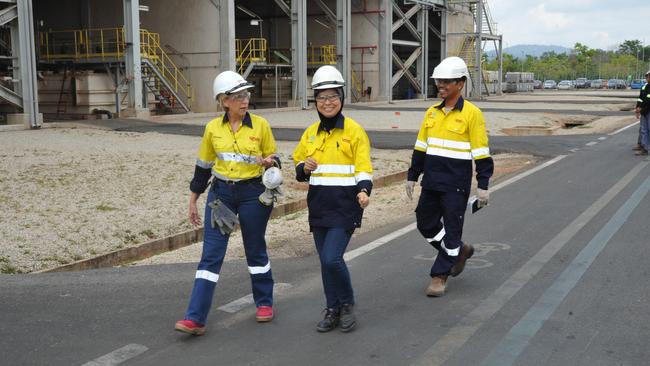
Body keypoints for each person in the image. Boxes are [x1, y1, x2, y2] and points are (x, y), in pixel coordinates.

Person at [175, 70, 281, 336]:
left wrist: (270, 162)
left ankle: (265, 302)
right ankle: (195, 318)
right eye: (237, 96)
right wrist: (193, 199)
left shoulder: (261, 125)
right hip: (220, 196)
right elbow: (203, 167)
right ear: (224, 100)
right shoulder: (212, 128)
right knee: (211, 255)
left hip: (253, 194)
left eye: (246, 95)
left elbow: (275, 158)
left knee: (255, 249)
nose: (244, 101)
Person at [293, 65, 373, 333]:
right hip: (319, 206)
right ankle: (332, 308)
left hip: (346, 206)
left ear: (341, 97)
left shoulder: (354, 131)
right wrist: (304, 168)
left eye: (332, 96)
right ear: (315, 101)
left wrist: (364, 190)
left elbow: (363, 167)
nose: (327, 102)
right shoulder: (310, 133)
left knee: (331, 258)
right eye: (322, 97)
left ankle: (347, 303)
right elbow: (298, 166)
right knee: (325, 261)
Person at [405, 56, 494, 297]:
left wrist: (483, 185)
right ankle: (459, 251)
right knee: (425, 223)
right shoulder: (431, 113)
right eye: (438, 81)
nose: (440, 85)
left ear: (460, 83)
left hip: (456, 184)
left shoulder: (472, 114)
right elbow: (421, 147)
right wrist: (413, 175)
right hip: (432, 181)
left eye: (446, 81)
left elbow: (481, 152)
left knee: (452, 231)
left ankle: (439, 276)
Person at [634, 71, 650, 156]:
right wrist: (637, 107)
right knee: (644, 130)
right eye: (647, 76)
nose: (648, 78)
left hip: (647, 110)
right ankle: (644, 147)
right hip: (644, 111)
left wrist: (640, 108)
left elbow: (648, 98)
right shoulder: (645, 86)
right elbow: (641, 98)